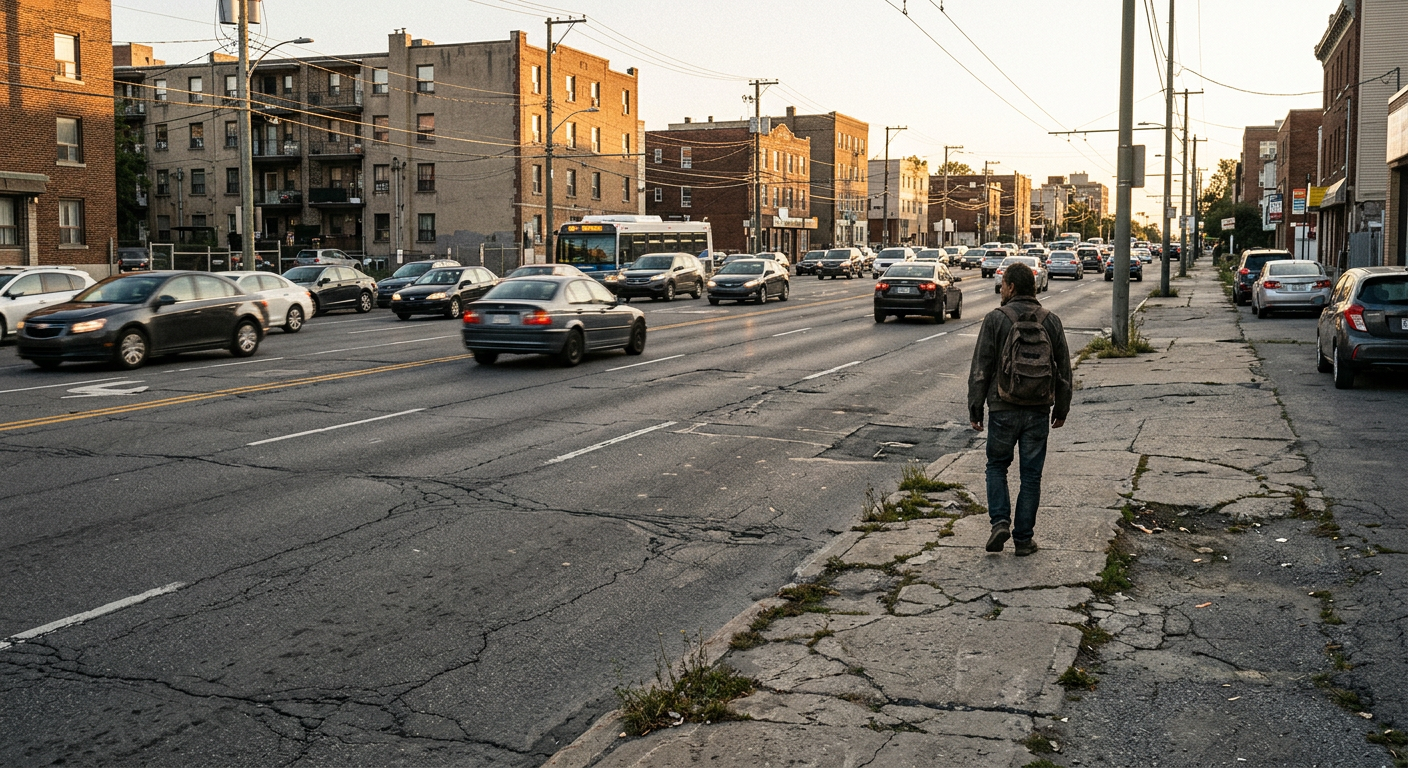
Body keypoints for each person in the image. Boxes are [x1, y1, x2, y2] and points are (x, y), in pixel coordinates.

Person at [967, 262, 1073, 556]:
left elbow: (981, 368)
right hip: (1039, 409)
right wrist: (1061, 408)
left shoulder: (995, 319)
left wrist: (975, 408)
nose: (1000, 289)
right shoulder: (1051, 321)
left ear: (1011, 288)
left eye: (1002, 284)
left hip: (1002, 407)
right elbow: (1064, 369)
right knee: (1031, 475)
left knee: (996, 466)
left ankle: (1000, 521)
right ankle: (1023, 540)